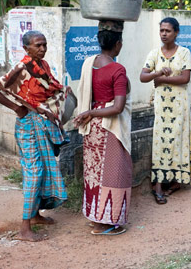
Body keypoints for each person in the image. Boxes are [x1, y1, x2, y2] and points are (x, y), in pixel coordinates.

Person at [0, 30, 69, 242]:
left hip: (41, 125)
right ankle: (24, 229)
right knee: (34, 172)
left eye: (44, 44)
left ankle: (34, 216)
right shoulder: (22, 68)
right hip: (28, 127)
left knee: (43, 170)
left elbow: (50, 92)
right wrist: (16, 107)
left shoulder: (43, 66)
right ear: (26, 48)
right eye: (37, 45)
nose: (42, 49)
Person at [75, 20, 132, 235]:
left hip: (91, 129)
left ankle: (94, 216)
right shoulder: (117, 69)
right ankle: (108, 222)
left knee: (94, 174)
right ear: (117, 44)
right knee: (115, 174)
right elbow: (118, 107)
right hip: (110, 127)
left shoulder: (89, 63)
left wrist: (89, 113)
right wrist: (92, 112)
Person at [140, 17, 191, 204]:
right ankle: (158, 185)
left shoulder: (184, 52)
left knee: (177, 140)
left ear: (176, 33)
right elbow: (143, 76)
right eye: (162, 30)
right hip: (162, 107)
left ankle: (176, 180)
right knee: (160, 142)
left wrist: (162, 80)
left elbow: (185, 79)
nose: (164, 34)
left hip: (179, 105)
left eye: (168, 31)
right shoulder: (154, 54)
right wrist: (157, 74)